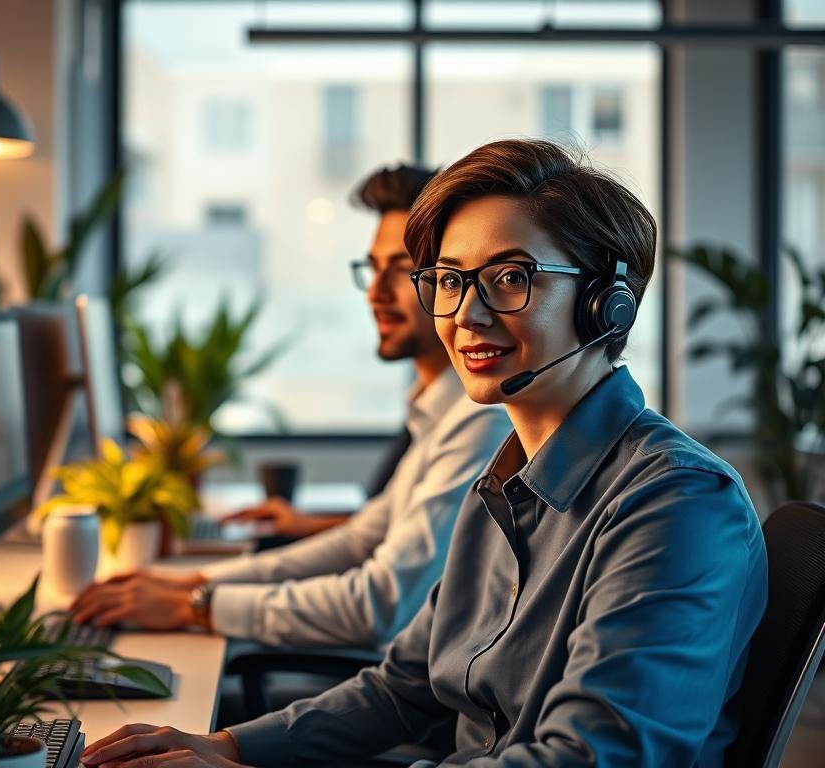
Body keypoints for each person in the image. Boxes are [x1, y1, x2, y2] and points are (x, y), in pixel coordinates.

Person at [78, 139, 768, 768]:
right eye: (447, 279)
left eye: (509, 277)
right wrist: (228, 747)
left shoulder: (677, 505)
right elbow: (406, 685)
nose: (465, 314)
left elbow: (590, 759)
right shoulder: (501, 486)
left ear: (606, 304)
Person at [71, 164, 512, 649]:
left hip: (392, 683)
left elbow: (379, 605)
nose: (375, 293)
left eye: (402, 272)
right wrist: (191, 581)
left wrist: (191, 604)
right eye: (373, 268)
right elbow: (361, 538)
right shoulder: (438, 413)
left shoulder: (479, 419)